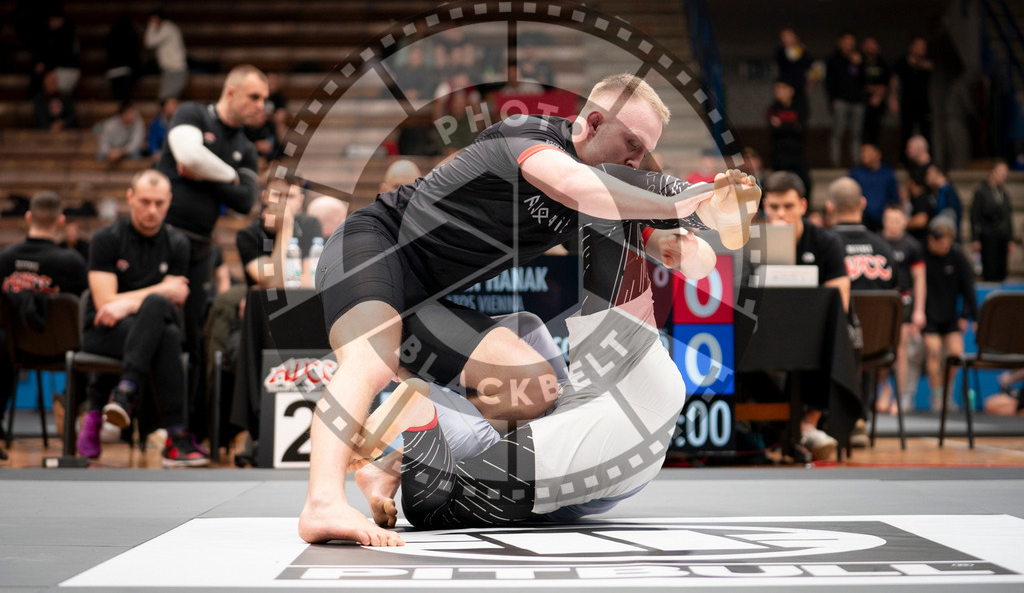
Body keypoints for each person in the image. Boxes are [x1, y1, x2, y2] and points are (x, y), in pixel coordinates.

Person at [300, 74, 760, 545]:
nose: (635, 160)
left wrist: (696, 237)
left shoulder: (597, 194)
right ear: (593, 122)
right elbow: (576, 186)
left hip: (431, 301)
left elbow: (696, 261)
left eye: (644, 152)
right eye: (631, 143)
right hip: (375, 247)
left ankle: (391, 461)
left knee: (534, 387)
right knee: (370, 360)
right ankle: (322, 504)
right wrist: (685, 201)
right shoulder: (526, 137)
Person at [349, 170, 720, 531]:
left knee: (441, 496)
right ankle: (399, 449)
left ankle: (404, 440)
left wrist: (687, 227)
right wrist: (691, 225)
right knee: (440, 500)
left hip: (606, 421)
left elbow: (692, 253)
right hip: (611, 426)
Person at [155, 64, 264, 436]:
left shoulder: (246, 148)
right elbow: (187, 153)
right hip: (163, 240)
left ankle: (190, 430)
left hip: (201, 248)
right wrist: (227, 175)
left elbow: (245, 199)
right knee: (157, 327)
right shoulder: (192, 113)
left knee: (195, 339)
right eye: (254, 96)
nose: (261, 106)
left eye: (264, 99)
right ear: (230, 92)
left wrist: (206, 169)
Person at [75, 170, 208, 466]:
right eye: (145, 201)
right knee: (161, 318)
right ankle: (176, 437)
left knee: (164, 325)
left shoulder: (177, 243)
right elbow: (103, 303)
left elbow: (178, 299)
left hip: (148, 330)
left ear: (169, 201)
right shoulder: (106, 238)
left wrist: (126, 304)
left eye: (159, 203)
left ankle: (122, 394)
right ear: (130, 198)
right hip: (105, 330)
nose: (152, 210)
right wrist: (157, 292)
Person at [761, 170, 850, 460]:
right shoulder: (752, 242)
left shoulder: (826, 243)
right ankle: (777, 428)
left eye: (788, 206)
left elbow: (841, 301)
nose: (781, 214)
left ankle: (807, 424)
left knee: (837, 338)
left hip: (812, 334)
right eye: (774, 207)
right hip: (764, 332)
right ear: (764, 207)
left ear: (802, 205)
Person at [0, 191, 88, 416]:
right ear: (61, 221)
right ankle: (71, 402)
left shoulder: (5, 259)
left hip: (14, 349)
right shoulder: (72, 263)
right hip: (65, 350)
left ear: (28, 217)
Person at [827, 177, 897, 446]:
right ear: (863, 204)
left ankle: (831, 417)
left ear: (830, 207)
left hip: (839, 344)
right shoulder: (885, 249)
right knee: (862, 333)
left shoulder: (826, 244)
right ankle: (860, 420)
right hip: (880, 344)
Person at [922, 215, 976, 413]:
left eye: (948, 244)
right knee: (934, 351)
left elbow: (968, 288)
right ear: (931, 240)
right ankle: (937, 396)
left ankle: (947, 393)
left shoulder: (958, 257)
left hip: (950, 314)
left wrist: (969, 315)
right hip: (929, 316)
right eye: (941, 244)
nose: (945, 248)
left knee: (955, 352)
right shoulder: (922, 256)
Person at [879, 204, 927, 413]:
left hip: (904, 303)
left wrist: (919, 309)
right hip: (880, 303)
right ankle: (884, 390)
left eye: (897, 221)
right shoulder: (877, 242)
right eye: (889, 220)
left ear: (904, 222)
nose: (892, 225)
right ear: (884, 220)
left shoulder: (912, 246)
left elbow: (920, 279)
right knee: (879, 348)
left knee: (900, 350)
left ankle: (900, 396)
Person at [236, 179, 322, 289]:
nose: (283, 202)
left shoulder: (310, 224)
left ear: (300, 201)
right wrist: (284, 229)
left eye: (290, 196)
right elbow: (272, 282)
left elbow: (311, 282)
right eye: (276, 195)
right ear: (265, 197)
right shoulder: (248, 234)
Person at [825, 32, 865, 167]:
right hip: (840, 100)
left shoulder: (859, 59)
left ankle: (857, 163)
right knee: (837, 132)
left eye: (852, 41)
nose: (850, 44)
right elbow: (829, 82)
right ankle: (835, 163)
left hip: (857, 101)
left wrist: (859, 64)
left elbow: (864, 80)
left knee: (856, 133)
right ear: (840, 42)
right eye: (847, 40)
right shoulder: (834, 59)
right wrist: (833, 99)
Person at [971, 160, 1015, 282]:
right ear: (992, 172)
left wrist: (1010, 239)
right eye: (1001, 172)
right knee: (990, 270)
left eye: (1005, 173)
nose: (1003, 176)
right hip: (988, 236)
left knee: (1002, 270)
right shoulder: (981, 191)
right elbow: (974, 216)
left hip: (1003, 236)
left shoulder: (1004, 193)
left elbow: (1008, 217)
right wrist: (975, 238)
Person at [766, 79, 810, 197]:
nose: (778, 92)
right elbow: (774, 129)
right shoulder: (773, 108)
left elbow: (800, 129)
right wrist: (791, 126)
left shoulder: (800, 107)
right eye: (777, 89)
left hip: (797, 151)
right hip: (779, 153)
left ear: (791, 91)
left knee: (805, 182)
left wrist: (782, 125)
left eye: (782, 88)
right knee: (778, 183)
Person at [890, 37, 933, 150]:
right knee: (906, 131)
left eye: (924, 47)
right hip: (907, 102)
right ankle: (904, 161)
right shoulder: (902, 63)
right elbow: (895, 81)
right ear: (912, 47)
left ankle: (928, 160)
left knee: (926, 132)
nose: (922, 49)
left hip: (924, 103)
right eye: (919, 46)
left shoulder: (927, 64)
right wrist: (893, 99)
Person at [848, 143, 899, 232]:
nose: (864, 155)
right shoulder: (855, 173)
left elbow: (894, 198)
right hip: (861, 221)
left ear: (878, 154)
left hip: (882, 222)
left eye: (867, 152)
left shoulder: (887, 173)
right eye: (862, 152)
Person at [144, 9, 188, 101]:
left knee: (167, 99)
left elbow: (149, 42)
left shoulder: (167, 28)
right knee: (166, 99)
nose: (151, 22)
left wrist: (152, 26)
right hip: (171, 70)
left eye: (153, 19)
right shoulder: (165, 28)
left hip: (176, 70)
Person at [775, 28, 814, 125]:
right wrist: (797, 49)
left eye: (789, 36)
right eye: (784, 37)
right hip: (785, 91)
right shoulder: (780, 52)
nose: (786, 39)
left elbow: (814, 68)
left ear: (795, 37)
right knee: (781, 116)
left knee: (801, 116)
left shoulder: (804, 54)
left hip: (800, 90)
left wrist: (810, 84)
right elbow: (790, 55)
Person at [104, 13, 141, 105]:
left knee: (119, 99)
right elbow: (134, 54)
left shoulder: (111, 35)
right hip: (125, 71)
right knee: (123, 99)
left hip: (112, 71)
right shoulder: (130, 34)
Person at [860, 37, 890, 147]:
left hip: (878, 103)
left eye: (873, 45)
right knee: (861, 130)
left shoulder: (882, 64)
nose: (871, 48)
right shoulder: (859, 63)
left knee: (876, 130)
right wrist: (872, 89)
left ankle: (875, 155)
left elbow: (886, 83)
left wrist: (878, 94)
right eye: (868, 45)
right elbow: (857, 83)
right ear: (863, 47)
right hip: (862, 102)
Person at [925, 164, 963, 243]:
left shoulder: (949, 193)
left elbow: (952, 216)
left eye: (929, 173)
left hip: (947, 237)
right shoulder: (935, 193)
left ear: (939, 174)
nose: (926, 177)